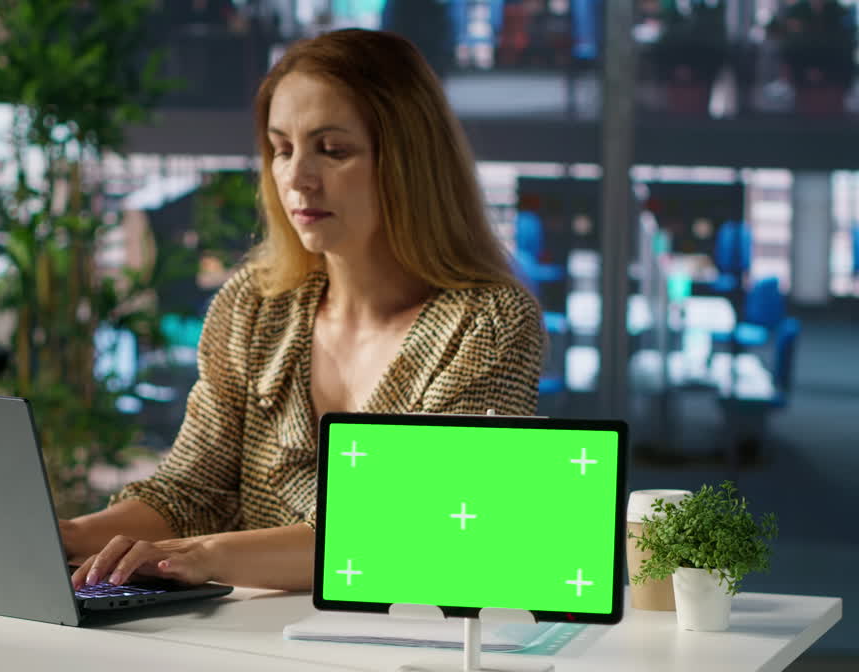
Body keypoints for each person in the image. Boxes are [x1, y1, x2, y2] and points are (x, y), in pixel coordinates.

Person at [62, 29, 543, 593]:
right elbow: (189, 490)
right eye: (281, 149)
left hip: (405, 653)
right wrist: (68, 534)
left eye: (332, 150)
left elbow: (405, 533)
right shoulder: (252, 306)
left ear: (409, 162)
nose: (296, 177)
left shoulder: (487, 323)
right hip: (248, 648)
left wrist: (205, 555)